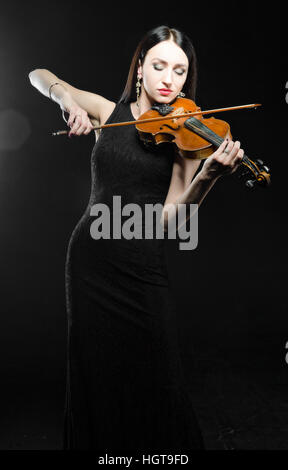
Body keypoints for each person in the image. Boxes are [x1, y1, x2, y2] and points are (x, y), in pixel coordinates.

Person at [29, 25, 244, 452]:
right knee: (95, 378)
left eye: (180, 71)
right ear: (141, 67)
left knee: (159, 381)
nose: (169, 79)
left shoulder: (186, 140)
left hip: (143, 268)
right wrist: (66, 98)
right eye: (160, 65)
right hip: (91, 264)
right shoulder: (109, 112)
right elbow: (38, 73)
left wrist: (208, 176)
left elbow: (171, 223)